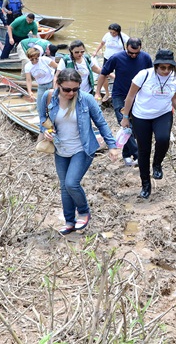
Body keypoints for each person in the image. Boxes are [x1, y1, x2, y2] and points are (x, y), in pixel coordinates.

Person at [38, 68, 119, 235]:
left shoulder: (86, 99)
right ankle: (69, 221)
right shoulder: (47, 96)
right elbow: (42, 119)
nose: (71, 93)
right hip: (60, 148)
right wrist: (45, 131)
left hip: (82, 148)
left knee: (71, 183)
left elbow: (101, 123)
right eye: (67, 89)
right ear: (58, 85)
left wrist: (112, 146)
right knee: (63, 186)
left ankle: (83, 212)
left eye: (75, 89)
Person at [120, 49, 176, 199]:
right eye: (162, 68)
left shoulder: (174, 77)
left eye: (169, 68)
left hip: (163, 114)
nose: (166, 71)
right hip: (141, 116)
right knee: (143, 150)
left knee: (163, 139)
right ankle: (146, 184)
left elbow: (174, 99)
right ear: (156, 66)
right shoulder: (144, 75)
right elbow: (130, 96)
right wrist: (125, 117)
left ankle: (157, 164)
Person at [95, 38, 152, 166]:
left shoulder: (146, 58)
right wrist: (98, 92)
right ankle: (139, 155)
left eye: (136, 53)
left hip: (139, 96)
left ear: (140, 48)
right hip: (120, 95)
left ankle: (127, 154)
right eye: (130, 53)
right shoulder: (116, 57)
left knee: (135, 126)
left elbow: (151, 75)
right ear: (126, 47)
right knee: (125, 125)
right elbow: (103, 73)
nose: (133, 56)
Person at [92, 23, 128, 102]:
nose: (112, 34)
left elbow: (130, 45)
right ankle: (107, 93)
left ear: (118, 32)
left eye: (114, 33)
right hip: (107, 58)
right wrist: (96, 51)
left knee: (121, 74)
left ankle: (121, 93)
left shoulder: (123, 36)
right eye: (111, 32)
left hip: (119, 59)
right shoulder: (107, 35)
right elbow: (102, 43)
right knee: (104, 74)